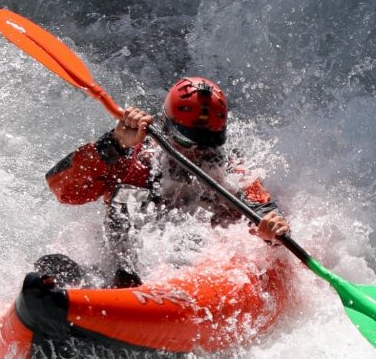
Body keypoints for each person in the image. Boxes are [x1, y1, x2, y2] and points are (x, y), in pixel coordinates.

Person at [41, 76, 291, 287]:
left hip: (191, 281)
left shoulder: (229, 173)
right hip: (119, 273)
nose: (196, 151)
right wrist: (113, 143)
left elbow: (263, 207)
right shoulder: (132, 156)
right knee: (52, 266)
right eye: (186, 140)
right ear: (166, 128)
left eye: (207, 142)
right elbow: (62, 189)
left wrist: (272, 227)